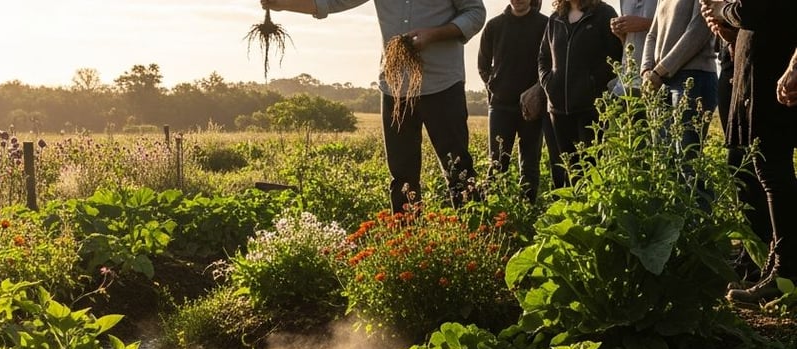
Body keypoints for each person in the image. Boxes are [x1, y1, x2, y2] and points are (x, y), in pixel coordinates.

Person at [260, 0, 487, 214]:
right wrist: (282, 3)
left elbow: (475, 13)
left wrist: (433, 34)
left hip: (442, 85)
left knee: (459, 171)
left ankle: (477, 235)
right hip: (395, 89)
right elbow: (333, 1)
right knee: (402, 176)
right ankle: (407, 243)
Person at [701, 0, 797, 305]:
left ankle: (787, 273)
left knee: (773, 172)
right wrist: (731, 32)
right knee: (767, 170)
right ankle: (776, 266)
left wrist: (723, 10)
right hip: (761, 67)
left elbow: (759, 9)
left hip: (774, 69)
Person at [539, 0, 623, 189]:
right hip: (558, 109)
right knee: (568, 169)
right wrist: (549, 83)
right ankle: (572, 213)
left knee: (593, 168)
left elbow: (615, 55)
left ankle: (591, 215)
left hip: (591, 108)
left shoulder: (604, 14)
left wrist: (593, 84)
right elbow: (543, 57)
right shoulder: (555, 19)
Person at [478, 0, 549, 203]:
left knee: (530, 165)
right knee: (498, 163)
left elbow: (551, 62)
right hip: (500, 107)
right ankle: (490, 212)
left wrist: (538, 91)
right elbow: (483, 64)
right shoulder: (494, 25)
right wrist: (494, 87)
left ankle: (526, 211)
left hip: (533, 107)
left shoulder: (545, 25)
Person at [641, 0, 718, 160]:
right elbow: (652, 34)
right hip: (660, 81)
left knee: (687, 161)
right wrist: (646, 70)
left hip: (694, 78)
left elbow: (696, 33)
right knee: (664, 160)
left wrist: (660, 70)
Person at [610, 0, 658, 96]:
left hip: (655, 78)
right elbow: (628, 43)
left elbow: (675, 29)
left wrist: (646, 24)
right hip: (628, 79)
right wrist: (621, 34)